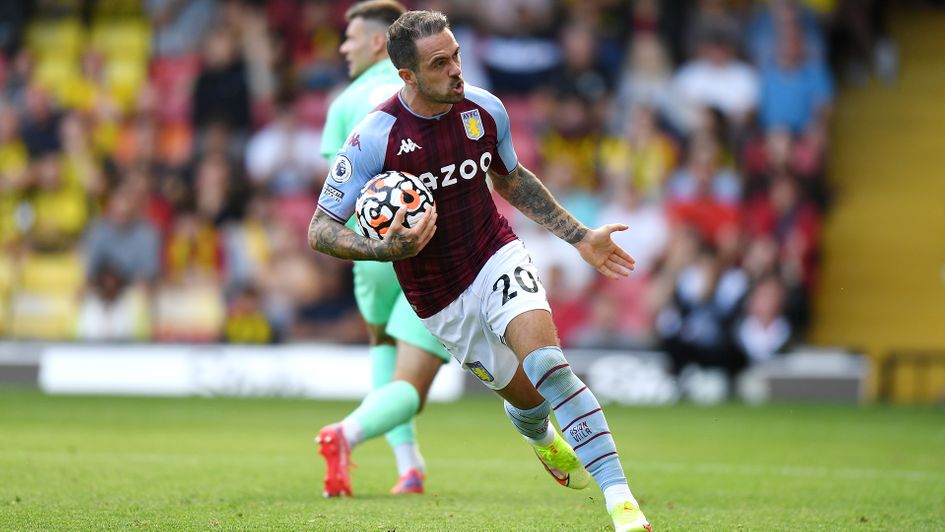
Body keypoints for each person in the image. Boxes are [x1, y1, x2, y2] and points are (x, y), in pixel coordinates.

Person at [309, 10, 651, 532]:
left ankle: (622, 502)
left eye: (456, 56)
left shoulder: (484, 109)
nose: (455, 70)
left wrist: (581, 237)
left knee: (551, 368)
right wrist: (382, 249)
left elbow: (510, 181)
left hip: (496, 255)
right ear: (408, 75)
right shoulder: (373, 138)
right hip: (439, 298)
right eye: (439, 63)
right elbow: (320, 229)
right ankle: (538, 435)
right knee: (529, 400)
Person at [314, 0, 453, 497]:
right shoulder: (422, 87)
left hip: (370, 254)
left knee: (382, 345)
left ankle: (409, 465)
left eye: (350, 37)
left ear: (377, 41)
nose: (342, 46)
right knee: (411, 381)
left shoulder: (344, 104)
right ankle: (346, 434)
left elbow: (340, 192)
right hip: (429, 245)